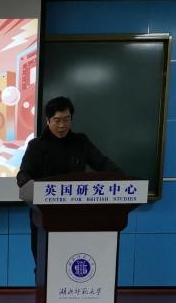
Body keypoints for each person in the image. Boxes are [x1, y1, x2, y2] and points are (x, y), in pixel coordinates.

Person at [16, 96, 121, 264]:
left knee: (74, 262)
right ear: (48, 120)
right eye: (57, 120)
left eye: (66, 119)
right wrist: (33, 187)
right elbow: (23, 175)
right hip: (45, 216)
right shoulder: (36, 146)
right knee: (45, 265)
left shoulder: (81, 142)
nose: (62, 125)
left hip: (77, 215)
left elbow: (102, 163)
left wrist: (122, 179)